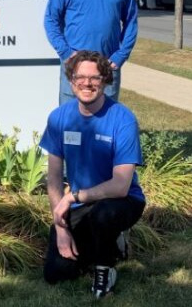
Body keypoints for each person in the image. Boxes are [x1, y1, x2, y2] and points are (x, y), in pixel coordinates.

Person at [40, 50, 145, 299]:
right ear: (71, 80)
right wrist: (61, 226)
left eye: (95, 78)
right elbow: (54, 178)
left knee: (104, 215)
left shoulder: (123, 119)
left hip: (122, 201)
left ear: (105, 80)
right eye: (80, 77)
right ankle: (109, 246)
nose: (87, 83)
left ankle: (104, 270)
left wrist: (73, 197)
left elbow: (120, 185)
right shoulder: (59, 118)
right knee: (57, 273)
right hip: (82, 205)